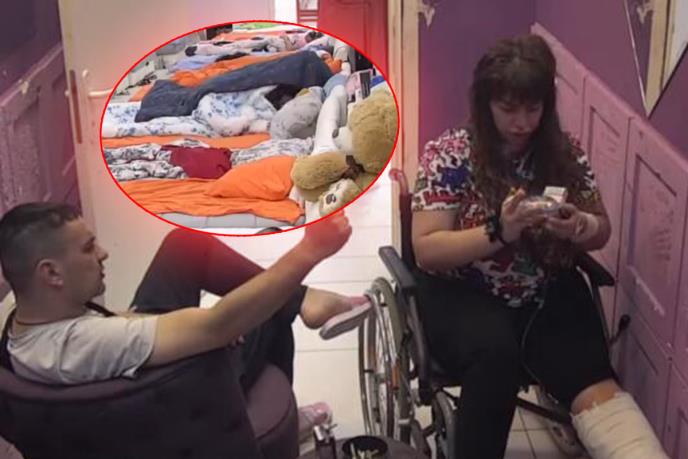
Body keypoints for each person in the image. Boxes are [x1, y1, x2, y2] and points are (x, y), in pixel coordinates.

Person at [411, 34, 669, 459]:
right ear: (486, 103)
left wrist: (579, 225)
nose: (522, 123)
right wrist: (500, 232)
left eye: (533, 109)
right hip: (462, 290)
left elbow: (601, 230)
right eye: (509, 109)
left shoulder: (564, 153)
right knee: (495, 358)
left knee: (588, 371)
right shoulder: (450, 154)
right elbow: (427, 249)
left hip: (544, 284)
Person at [0, 202, 370, 435]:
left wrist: (182, 322)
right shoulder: (83, 345)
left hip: (132, 369)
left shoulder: (28, 320)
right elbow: (218, 326)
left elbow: (109, 325)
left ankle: (305, 300)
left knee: (185, 245)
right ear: (51, 273)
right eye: (87, 248)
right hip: (179, 396)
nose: (104, 253)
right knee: (264, 306)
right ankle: (280, 425)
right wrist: (310, 251)